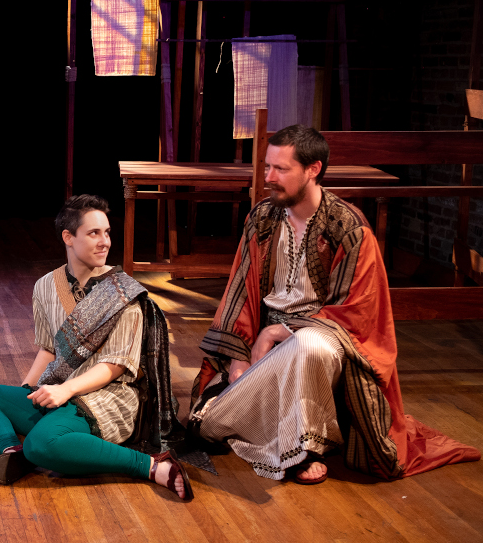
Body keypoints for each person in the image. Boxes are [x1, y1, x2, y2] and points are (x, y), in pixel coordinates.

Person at [190, 125, 480, 483]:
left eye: (281, 169)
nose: (268, 177)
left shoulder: (348, 229)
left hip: (322, 339)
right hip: (267, 351)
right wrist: (239, 357)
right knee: (208, 423)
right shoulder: (262, 219)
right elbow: (240, 291)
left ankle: (301, 449)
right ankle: (263, 421)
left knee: (309, 346)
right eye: (267, 167)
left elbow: (357, 313)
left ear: (313, 169)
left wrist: (276, 331)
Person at [0, 195, 193, 500]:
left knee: (42, 444)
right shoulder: (45, 286)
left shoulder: (123, 295)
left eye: (107, 232)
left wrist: (66, 391)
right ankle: (13, 452)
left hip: (108, 396)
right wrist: (29, 390)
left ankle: (153, 467)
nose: (104, 242)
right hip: (60, 390)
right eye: (94, 233)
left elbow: (115, 366)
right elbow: (48, 350)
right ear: (68, 238)